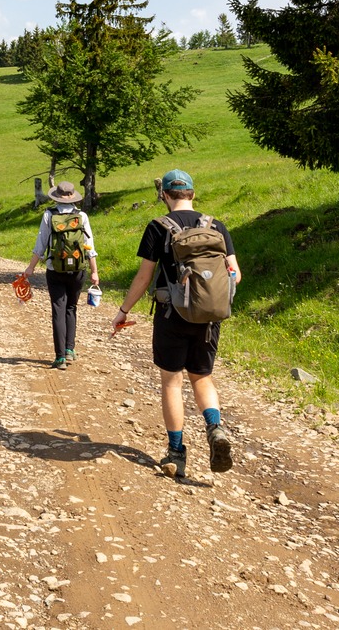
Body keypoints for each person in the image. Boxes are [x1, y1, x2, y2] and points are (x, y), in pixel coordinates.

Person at [111, 169, 240, 479]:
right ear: (192, 194)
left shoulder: (158, 227)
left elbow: (144, 276)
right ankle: (214, 427)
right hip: (209, 317)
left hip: (173, 315)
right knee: (202, 377)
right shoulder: (216, 226)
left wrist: (124, 310)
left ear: (165, 196)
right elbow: (234, 273)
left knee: (171, 381)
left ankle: (176, 452)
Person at [22, 180, 100, 368]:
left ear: (56, 197)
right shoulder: (81, 216)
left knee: (58, 309)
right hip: (78, 270)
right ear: (73, 197)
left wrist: (30, 268)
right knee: (71, 308)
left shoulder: (49, 215)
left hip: (54, 269)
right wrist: (95, 271)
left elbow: (40, 244)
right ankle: (70, 350)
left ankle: (60, 358)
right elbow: (89, 246)